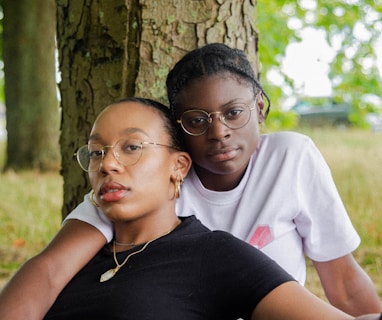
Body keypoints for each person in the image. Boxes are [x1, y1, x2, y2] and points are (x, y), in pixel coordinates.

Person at [0, 44, 381, 319]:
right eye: (197, 121)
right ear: (180, 138)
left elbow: (344, 282)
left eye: (233, 112)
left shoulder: (290, 160)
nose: (219, 132)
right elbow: (48, 272)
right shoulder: (140, 191)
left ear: (259, 109)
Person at [43, 97, 352, 319]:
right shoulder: (77, 254)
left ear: (178, 166)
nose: (107, 164)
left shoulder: (214, 254)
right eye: (96, 153)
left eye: (132, 147)